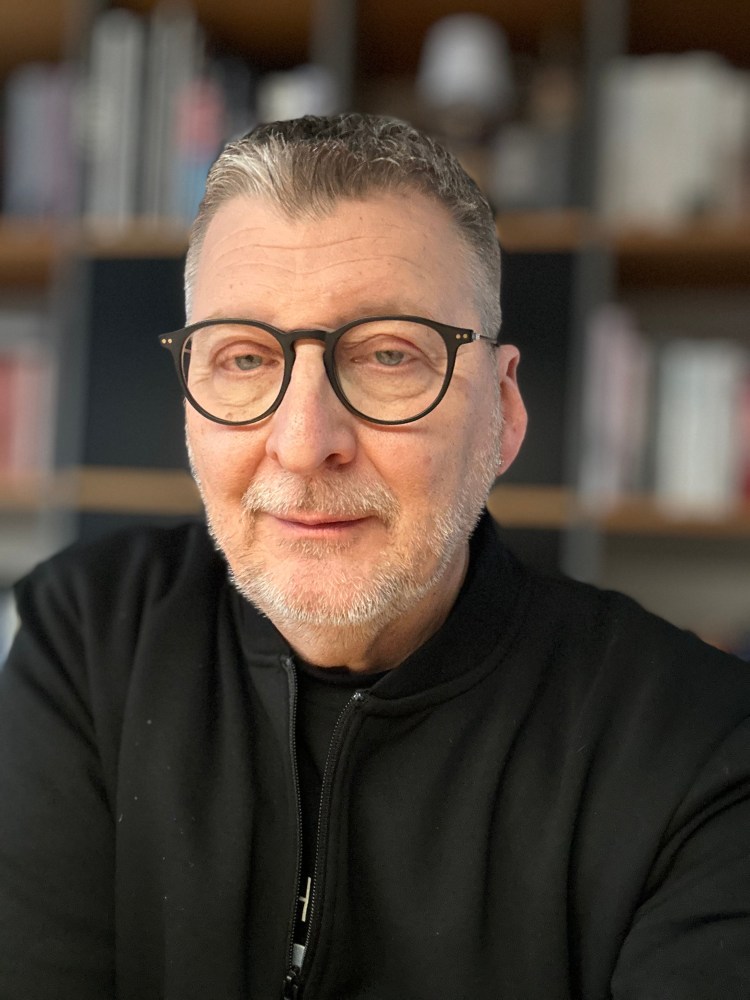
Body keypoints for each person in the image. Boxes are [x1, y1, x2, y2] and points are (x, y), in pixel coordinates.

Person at [1, 113, 749, 1000]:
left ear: (504, 412)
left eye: (389, 355)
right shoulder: (86, 639)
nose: (303, 442)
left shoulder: (702, 747)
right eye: (243, 358)